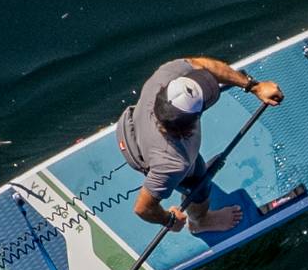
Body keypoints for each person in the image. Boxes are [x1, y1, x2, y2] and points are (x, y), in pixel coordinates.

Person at [118, 55, 285, 234]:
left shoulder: (165, 76)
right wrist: (169, 219)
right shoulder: (173, 162)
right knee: (199, 183)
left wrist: (254, 86)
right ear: (190, 127)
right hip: (143, 155)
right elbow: (143, 207)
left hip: (127, 128)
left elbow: (200, 64)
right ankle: (200, 222)